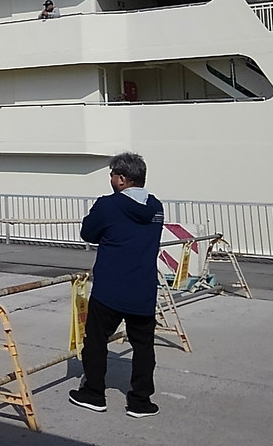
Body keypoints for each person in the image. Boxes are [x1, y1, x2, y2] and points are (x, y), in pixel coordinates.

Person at [69, 152, 164, 418]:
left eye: (112, 174)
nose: (110, 179)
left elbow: (88, 232)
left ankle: (94, 393)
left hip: (110, 288)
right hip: (143, 289)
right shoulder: (156, 207)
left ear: (121, 179)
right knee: (144, 346)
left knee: (96, 340)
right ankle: (141, 401)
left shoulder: (108, 205)